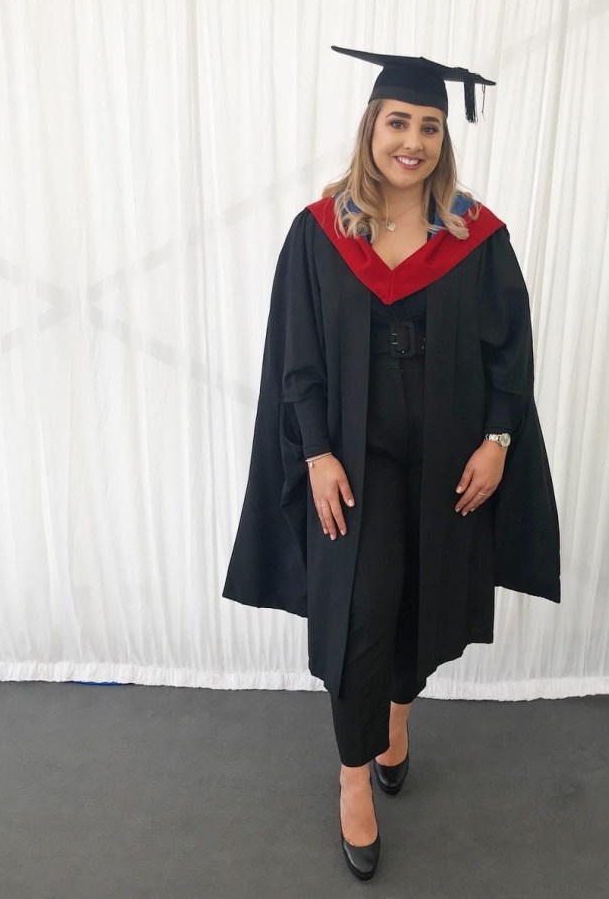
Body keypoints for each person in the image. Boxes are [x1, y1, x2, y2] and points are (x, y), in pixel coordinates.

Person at [222, 46, 560, 881]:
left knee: (424, 603)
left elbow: (509, 354)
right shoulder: (320, 232)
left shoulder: (475, 234)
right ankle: (352, 778)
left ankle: (397, 716)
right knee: (359, 614)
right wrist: (316, 451)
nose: (412, 141)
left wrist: (497, 440)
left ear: (444, 139)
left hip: (448, 457)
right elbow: (297, 356)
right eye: (398, 122)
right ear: (370, 127)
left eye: (429, 126)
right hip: (354, 461)